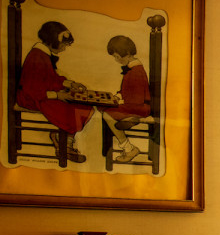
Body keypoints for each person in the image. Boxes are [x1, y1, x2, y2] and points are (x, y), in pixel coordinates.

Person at [16, 20, 94, 164]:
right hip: (32, 98)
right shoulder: (37, 56)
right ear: (52, 41)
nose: (64, 48)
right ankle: (64, 146)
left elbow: (50, 80)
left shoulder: (43, 55)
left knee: (85, 106)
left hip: (43, 95)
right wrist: (58, 95)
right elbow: (32, 89)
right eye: (63, 44)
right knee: (71, 111)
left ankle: (64, 141)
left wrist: (70, 84)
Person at [102, 35, 152, 164]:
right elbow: (125, 91)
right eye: (115, 57)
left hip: (139, 107)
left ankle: (129, 149)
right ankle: (128, 125)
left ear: (128, 53)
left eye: (117, 57)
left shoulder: (136, 71)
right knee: (104, 108)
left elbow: (137, 99)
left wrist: (119, 102)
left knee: (107, 114)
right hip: (134, 105)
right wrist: (117, 97)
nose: (116, 60)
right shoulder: (132, 68)